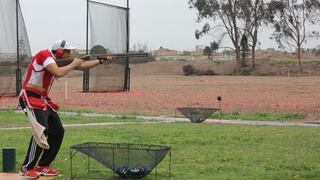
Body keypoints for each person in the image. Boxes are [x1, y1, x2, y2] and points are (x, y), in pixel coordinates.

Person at [18, 39, 113, 179]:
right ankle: (27, 167)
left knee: (58, 130)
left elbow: (82, 65)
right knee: (41, 130)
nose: (69, 54)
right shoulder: (44, 55)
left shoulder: (54, 60)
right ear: (60, 51)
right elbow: (58, 73)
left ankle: (43, 165)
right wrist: (74, 63)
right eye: (67, 52)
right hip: (30, 96)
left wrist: (100, 61)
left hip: (42, 99)